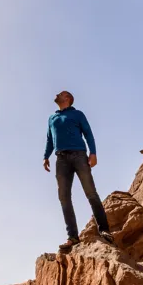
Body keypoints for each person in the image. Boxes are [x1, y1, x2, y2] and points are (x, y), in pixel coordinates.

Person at [43, 90, 113, 252]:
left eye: (60, 94)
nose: (56, 94)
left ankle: (104, 230)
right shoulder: (52, 118)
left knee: (91, 193)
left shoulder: (78, 114)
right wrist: (46, 156)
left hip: (79, 156)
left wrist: (93, 153)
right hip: (61, 159)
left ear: (67, 98)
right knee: (64, 197)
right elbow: (49, 139)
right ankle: (73, 237)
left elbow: (88, 133)